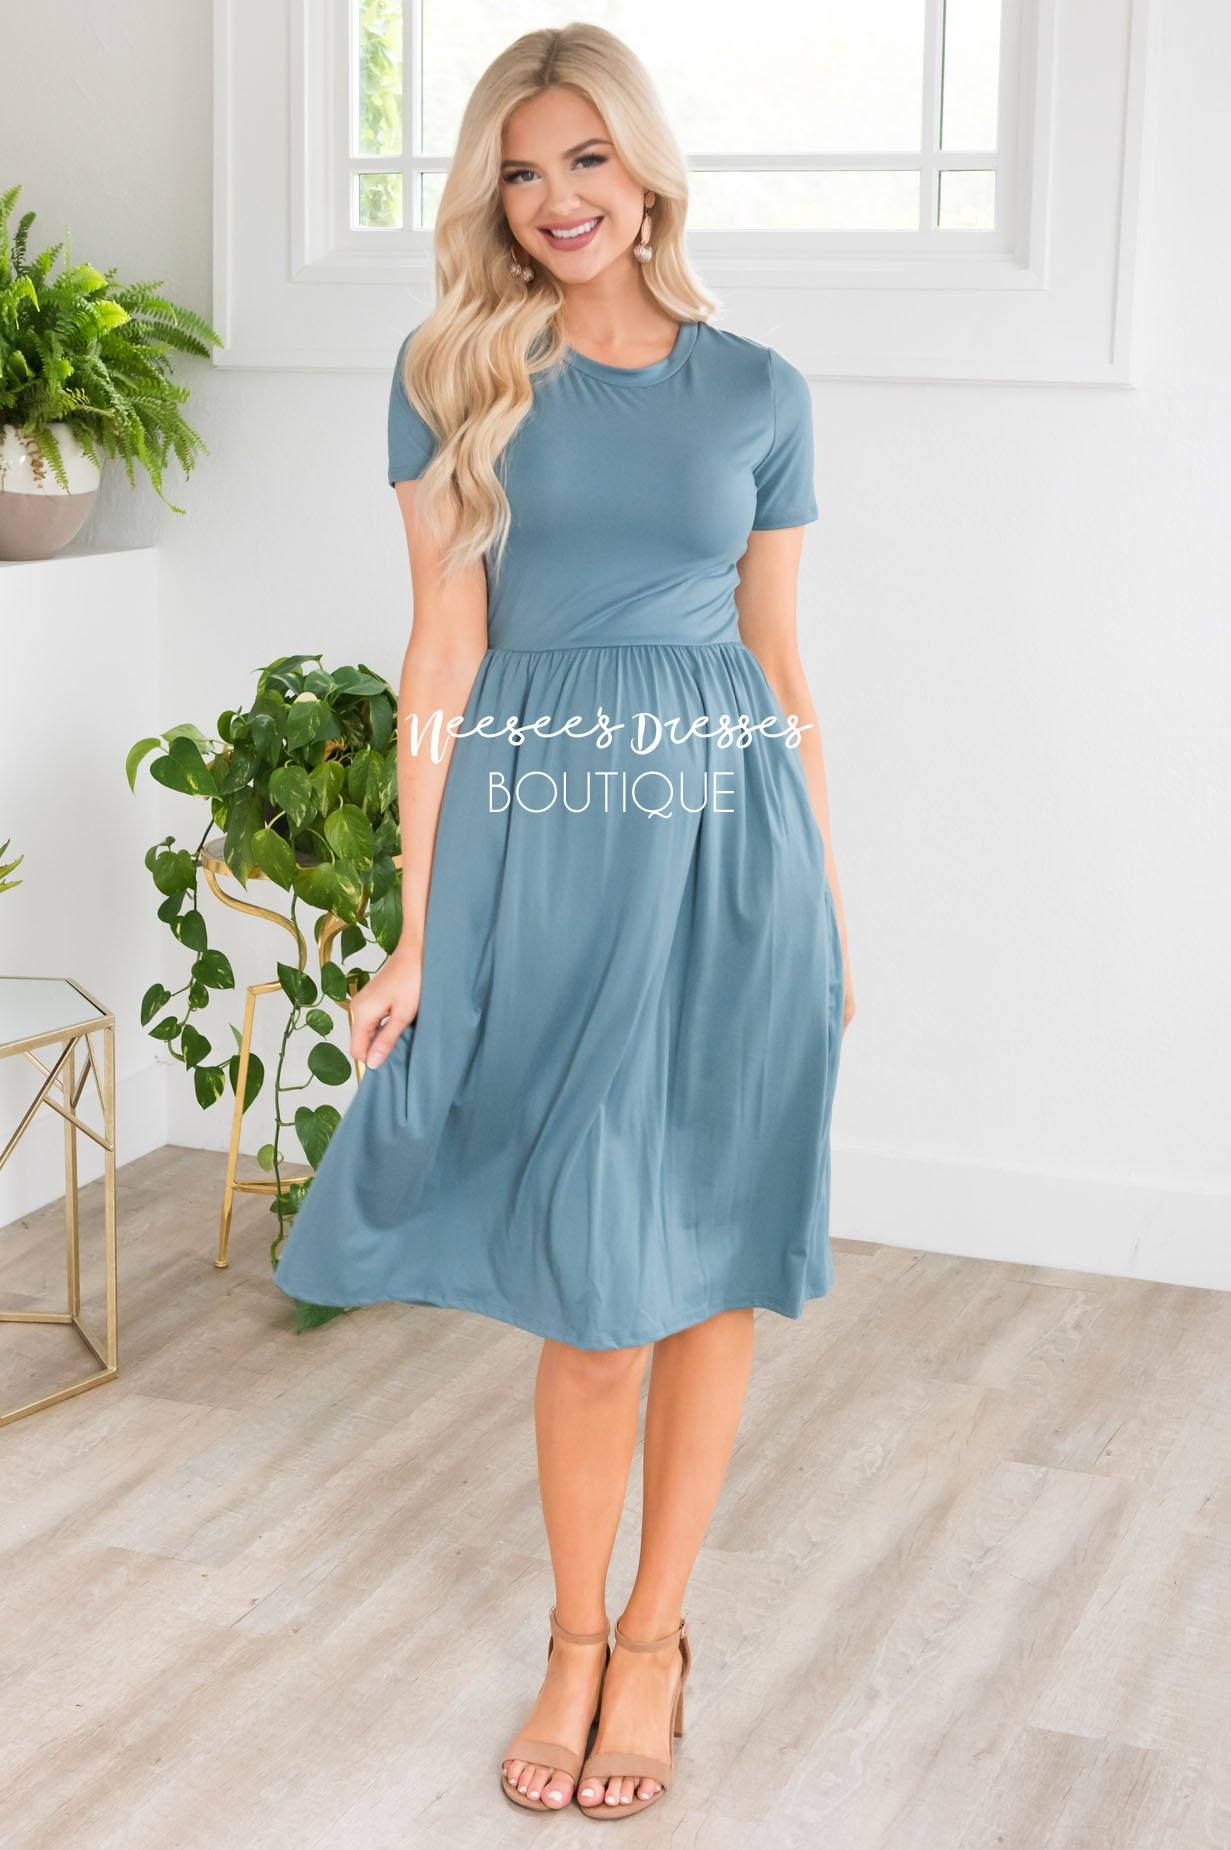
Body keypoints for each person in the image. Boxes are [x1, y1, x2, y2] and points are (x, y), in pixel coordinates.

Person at [272, 20, 854, 1820]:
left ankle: (656, 1642)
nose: (554, 199)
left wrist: (828, 906)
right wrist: (419, 927)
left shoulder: (761, 389)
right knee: (598, 1299)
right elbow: (441, 653)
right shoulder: (458, 373)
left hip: (734, 850)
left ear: (647, 169)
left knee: (712, 1258)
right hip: (547, 838)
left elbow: (777, 661)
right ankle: (574, 1636)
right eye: (519, 172)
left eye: (584, 159)